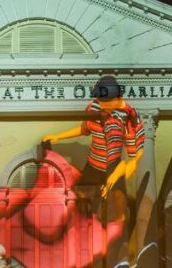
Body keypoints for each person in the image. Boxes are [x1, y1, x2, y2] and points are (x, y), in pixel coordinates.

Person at [41, 75, 145, 204]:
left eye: (107, 106)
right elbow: (85, 129)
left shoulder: (130, 118)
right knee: (84, 201)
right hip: (92, 166)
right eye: (101, 104)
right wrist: (57, 136)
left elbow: (135, 160)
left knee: (115, 205)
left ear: (118, 97)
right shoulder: (94, 107)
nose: (103, 110)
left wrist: (116, 178)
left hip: (113, 170)